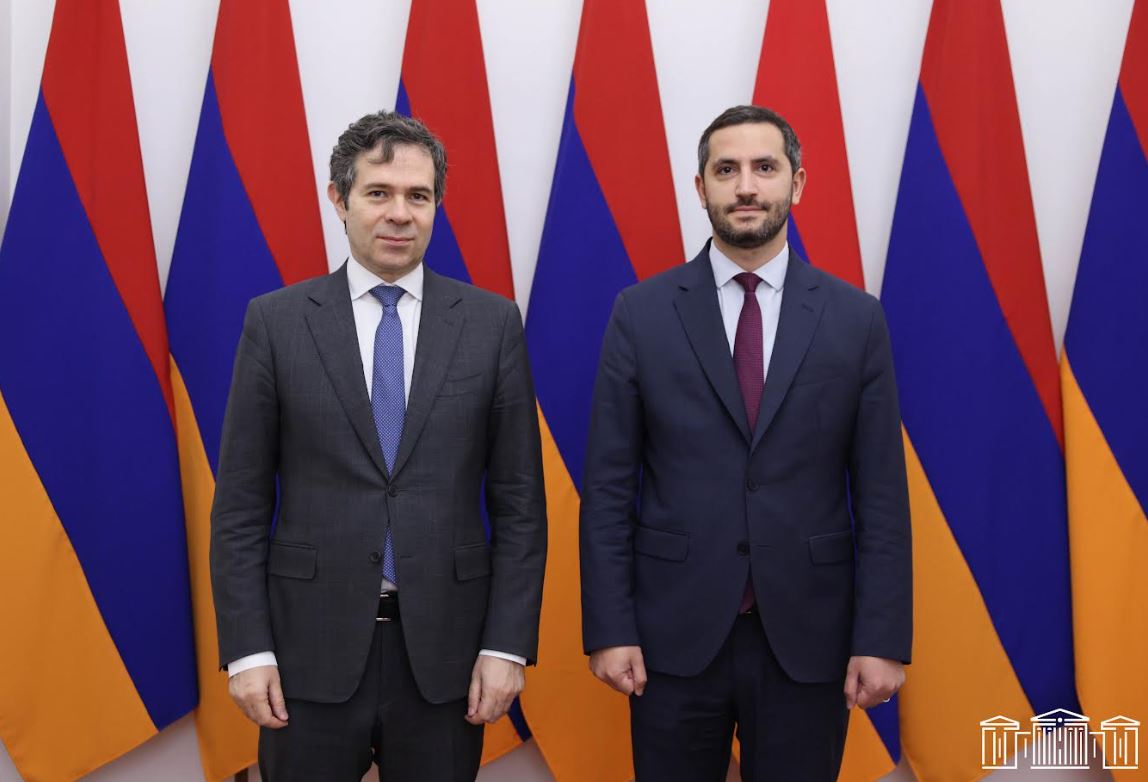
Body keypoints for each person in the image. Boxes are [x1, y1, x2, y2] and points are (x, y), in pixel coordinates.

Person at [210, 110, 547, 781]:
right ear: (339, 199)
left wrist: (507, 646)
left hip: (447, 659)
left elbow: (520, 507)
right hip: (306, 655)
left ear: (436, 205)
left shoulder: (491, 324)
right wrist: (248, 651)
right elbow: (242, 505)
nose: (400, 213)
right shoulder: (276, 322)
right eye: (378, 193)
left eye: (418, 195)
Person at [579, 105, 912, 781]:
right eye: (726, 170)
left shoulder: (856, 319)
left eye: (765, 167)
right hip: (672, 637)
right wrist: (610, 628)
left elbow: (882, 496)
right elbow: (609, 489)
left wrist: (881, 637)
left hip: (810, 638)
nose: (747, 186)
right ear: (700, 187)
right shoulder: (641, 313)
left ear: (797, 183)